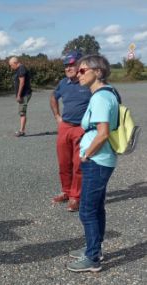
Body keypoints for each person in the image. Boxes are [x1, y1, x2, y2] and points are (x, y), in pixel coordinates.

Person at [67, 54, 119, 273]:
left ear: (98, 72)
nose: (78, 74)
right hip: (101, 159)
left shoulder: (100, 97)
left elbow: (103, 133)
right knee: (96, 207)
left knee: (87, 210)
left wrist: (86, 154)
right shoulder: (108, 93)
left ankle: (92, 257)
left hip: (97, 160)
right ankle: (94, 247)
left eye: (82, 70)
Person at [50, 51, 92, 212]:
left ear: (81, 65)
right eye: (66, 65)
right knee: (63, 162)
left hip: (82, 128)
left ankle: (76, 197)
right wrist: (57, 117)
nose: (68, 68)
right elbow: (53, 97)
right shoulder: (63, 83)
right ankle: (66, 191)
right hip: (65, 126)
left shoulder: (87, 82)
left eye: (72, 65)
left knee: (78, 164)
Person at [8, 57, 32, 137]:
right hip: (23, 94)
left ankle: (22, 131)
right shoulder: (19, 69)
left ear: (15, 63)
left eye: (11, 65)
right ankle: (22, 130)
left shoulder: (21, 68)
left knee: (22, 112)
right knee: (22, 112)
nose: (11, 67)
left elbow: (22, 82)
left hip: (24, 94)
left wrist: (19, 95)